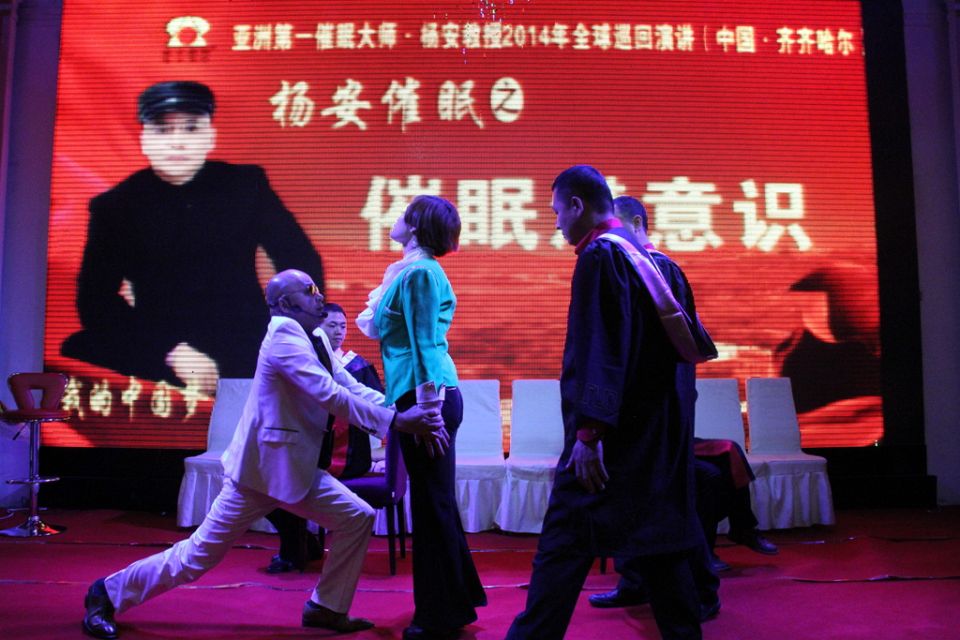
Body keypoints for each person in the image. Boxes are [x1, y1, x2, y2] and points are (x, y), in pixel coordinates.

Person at [81, 269, 447, 640]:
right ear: (285, 303)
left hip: (294, 468)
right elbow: (329, 394)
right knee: (197, 557)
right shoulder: (283, 336)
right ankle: (106, 593)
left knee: (357, 517)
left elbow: (348, 385)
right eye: (310, 291)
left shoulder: (315, 335)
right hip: (260, 472)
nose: (320, 296)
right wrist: (398, 421)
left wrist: (397, 411)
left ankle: (326, 607)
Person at [506, 167, 706, 640]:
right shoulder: (658, 263)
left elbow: (601, 349)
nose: (556, 223)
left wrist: (589, 431)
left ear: (577, 205)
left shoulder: (601, 257)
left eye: (557, 211)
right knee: (660, 547)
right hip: (657, 436)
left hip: (612, 441)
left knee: (562, 545)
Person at [61, 80, 323, 397]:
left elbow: (299, 258)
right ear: (144, 139)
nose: (178, 143)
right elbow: (95, 300)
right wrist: (170, 351)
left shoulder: (244, 185)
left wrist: (295, 328)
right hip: (161, 341)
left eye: (191, 128)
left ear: (210, 136)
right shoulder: (115, 206)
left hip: (243, 333)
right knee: (77, 348)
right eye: (163, 130)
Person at [357, 195, 486, 640]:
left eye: (402, 213)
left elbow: (425, 344)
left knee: (432, 507)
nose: (394, 218)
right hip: (416, 395)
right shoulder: (408, 271)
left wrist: (428, 411)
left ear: (414, 226)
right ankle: (453, 604)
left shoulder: (420, 274)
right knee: (434, 504)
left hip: (426, 397)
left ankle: (438, 616)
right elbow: (382, 328)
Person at [263, 302, 386, 574]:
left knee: (282, 482)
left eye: (343, 326)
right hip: (308, 445)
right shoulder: (299, 352)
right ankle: (301, 544)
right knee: (271, 485)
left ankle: (297, 550)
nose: (339, 332)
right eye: (332, 325)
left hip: (346, 453)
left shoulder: (356, 365)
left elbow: (357, 400)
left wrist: (396, 417)